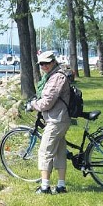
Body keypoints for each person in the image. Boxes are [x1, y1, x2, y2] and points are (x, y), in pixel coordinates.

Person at [26, 50, 71, 194]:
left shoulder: (56, 78)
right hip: (60, 118)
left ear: (53, 62)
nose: (43, 66)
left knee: (45, 152)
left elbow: (47, 102)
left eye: (46, 63)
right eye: (41, 64)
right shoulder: (53, 76)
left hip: (56, 120)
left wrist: (33, 105)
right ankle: (61, 186)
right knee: (59, 152)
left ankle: (45, 187)